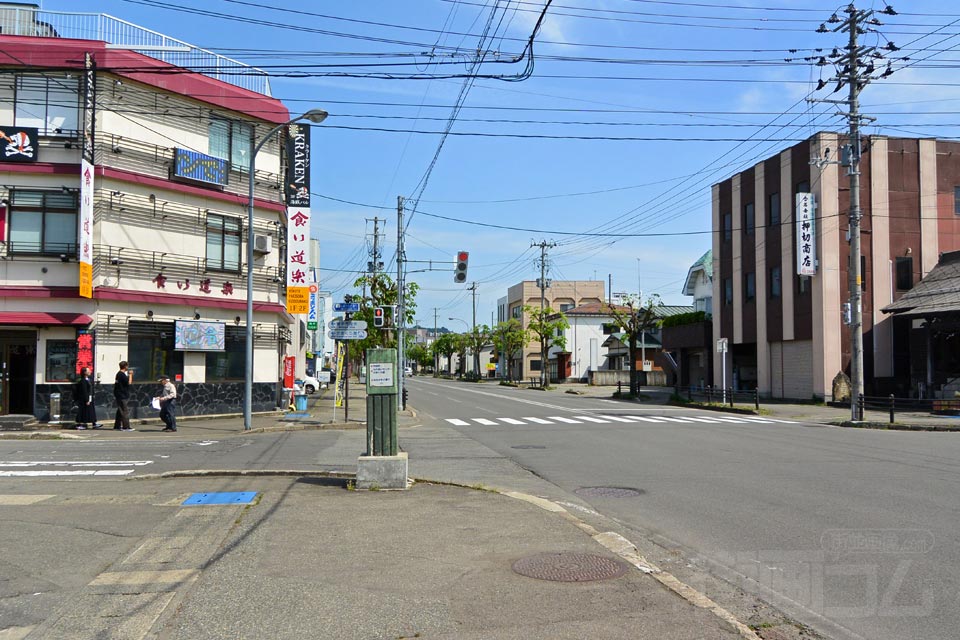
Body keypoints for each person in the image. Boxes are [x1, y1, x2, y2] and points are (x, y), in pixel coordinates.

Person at [113, 361, 135, 431]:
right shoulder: (122, 375)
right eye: (127, 366)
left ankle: (117, 425)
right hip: (122, 395)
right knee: (124, 411)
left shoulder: (118, 374)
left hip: (119, 394)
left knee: (120, 410)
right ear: (125, 366)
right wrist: (130, 375)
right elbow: (129, 383)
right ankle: (126, 426)